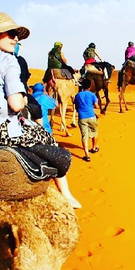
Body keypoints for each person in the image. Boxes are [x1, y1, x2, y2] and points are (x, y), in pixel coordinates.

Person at [0, 12, 81, 209]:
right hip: (3, 129)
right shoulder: (9, 61)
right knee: (51, 143)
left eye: (16, 35)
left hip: (49, 72)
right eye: (11, 34)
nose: (16, 38)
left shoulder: (49, 55)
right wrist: (22, 98)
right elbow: (16, 104)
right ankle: (66, 194)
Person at [74, 78, 99, 162]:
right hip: (92, 116)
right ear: (90, 86)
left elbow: (76, 107)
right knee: (94, 132)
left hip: (82, 117)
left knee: (84, 136)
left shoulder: (78, 95)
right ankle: (94, 147)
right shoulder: (92, 95)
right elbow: (96, 106)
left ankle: (87, 155)